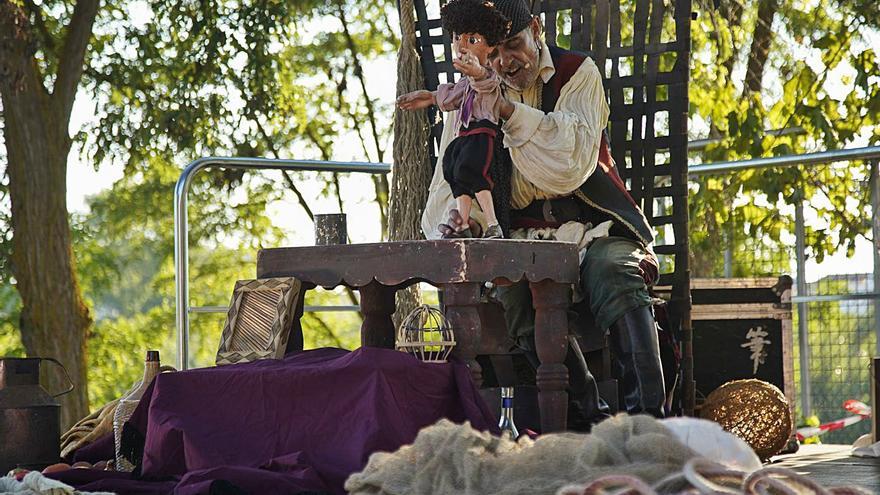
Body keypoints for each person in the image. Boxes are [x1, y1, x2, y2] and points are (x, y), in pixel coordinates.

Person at [420, 0, 667, 424]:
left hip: (596, 229)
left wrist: (506, 112)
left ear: (537, 29)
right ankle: (591, 420)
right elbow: (451, 179)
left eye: (513, 45)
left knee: (614, 271)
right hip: (522, 241)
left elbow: (566, 165)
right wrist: (467, 220)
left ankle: (648, 425)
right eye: (492, 55)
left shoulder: (578, 73)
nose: (505, 63)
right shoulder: (468, 98)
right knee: (515, 296)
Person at [398, 0, 510, 238]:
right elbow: (450, 97)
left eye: (472, 40)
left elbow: (485, 81)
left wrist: (476, 71)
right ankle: (462, 220)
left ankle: (492, 224)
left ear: (490, 47)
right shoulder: (464, 84)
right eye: (457, 38)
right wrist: (428, 97)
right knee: (452, 167)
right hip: (466, 135)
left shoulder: (489, 77)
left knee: (472, 173)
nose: (462, 46)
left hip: (482, 134)